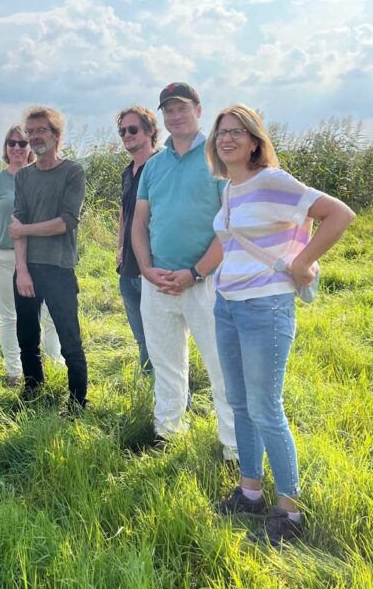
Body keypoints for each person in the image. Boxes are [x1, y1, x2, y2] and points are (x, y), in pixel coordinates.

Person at [207, 105, 355, 545]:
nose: (227, 139)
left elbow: (339, 214)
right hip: (227, 305)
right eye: (221, 133)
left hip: (265, 307)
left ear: (255, 141)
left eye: (237, 132)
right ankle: (250, 492)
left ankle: (289, 513)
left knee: (266, 408)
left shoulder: (272, 181)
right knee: (239, 403)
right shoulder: (229, 189)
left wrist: (302, 261)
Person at [131, 82, 237, 458]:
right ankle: (167, 432)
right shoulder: (154, 166)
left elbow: (230, 227)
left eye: (182, 108)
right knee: (165, 361)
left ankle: (233, 448)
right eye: (168, 110)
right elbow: (140, 222)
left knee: (221, 366)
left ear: (198, 109)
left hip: (207, 282)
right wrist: (146, 268)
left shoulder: (219, 158)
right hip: (158, 281)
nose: (175, 116)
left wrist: (194, 273)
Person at [10, 106, 88, 411]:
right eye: (30, 132)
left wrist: (25, 229)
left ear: (56, 135)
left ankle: (78, 402)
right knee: (27, 336)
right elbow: (17, 230)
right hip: (27, 269)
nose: (34, 137)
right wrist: (22, 271)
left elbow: (66, 221)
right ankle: (32, 391)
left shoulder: (73, 172)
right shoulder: (24, 176)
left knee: (70, 339)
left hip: (59, 268)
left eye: (41, 130)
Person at [0, 125, 65, 385]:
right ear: (6, 148)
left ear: (31, 148)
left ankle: (54, 363)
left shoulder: (42, 178)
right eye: (12, 143)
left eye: (22, 144)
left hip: (38, 257)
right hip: (3, 257)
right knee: (11, 315)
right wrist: (5, 237)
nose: (17, 148)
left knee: (50, 312)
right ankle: (14, 370)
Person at [116, 105, 160, 373]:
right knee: (141, 337)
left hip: (152, 265)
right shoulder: (127, 171)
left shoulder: (161, 167)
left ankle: (178, 403)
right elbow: (124, 212)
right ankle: (151, 395)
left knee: (160, 337)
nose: (126, 135)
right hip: (128, 266)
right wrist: (120, 246)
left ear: (150, 131)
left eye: (133, 129)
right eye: (122, 131)